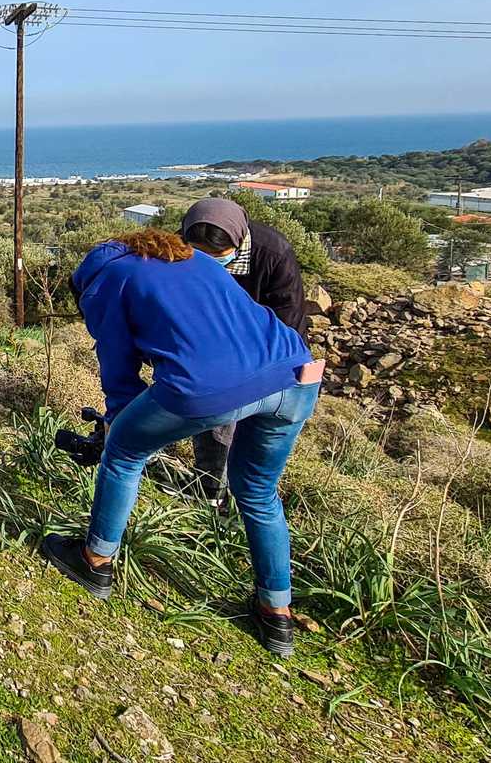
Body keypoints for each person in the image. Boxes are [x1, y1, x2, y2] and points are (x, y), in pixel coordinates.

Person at [39, 231, 321, 657]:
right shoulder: (198, 260)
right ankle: (276, 614)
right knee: (259, 493)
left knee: (124, 455)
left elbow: (118, 367)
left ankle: (95, 562)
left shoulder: (103, 282)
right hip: (297, 373)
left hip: (207, 387)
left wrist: (118, 420)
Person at [179, 197, 308, 507]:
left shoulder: (272, 253)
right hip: (210, 346)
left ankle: (244, 499)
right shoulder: (180, 248)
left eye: (219, 256)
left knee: (254, 434)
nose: (209, 262)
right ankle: (210, 491)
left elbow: (288, 319)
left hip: (269, 351)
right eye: (201, 255)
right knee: (215, 423)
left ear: (237, 242)